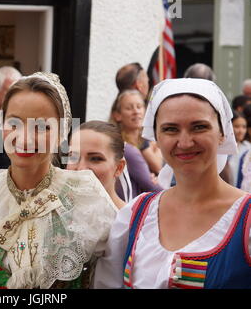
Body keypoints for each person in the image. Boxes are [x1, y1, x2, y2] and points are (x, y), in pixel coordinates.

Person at [0, 72, 118, 289]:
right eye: (14, 123)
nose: (24, 138)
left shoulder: (86, 198)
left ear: (62, 132)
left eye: (42, 127)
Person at [93, 78, 250, 289]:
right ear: (156, 135)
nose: (184, 142)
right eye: (170, 129)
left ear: (222, 133)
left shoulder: (246, 220)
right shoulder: (135, 215)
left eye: (199, 127)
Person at [66, 121, 127, 209]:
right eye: (73, 157)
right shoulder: (53, 216)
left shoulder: (131, 220)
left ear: (119, 167)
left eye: (95, 159)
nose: (81, 168)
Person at [110, 89, 163, 176]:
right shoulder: (119, 144)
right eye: (129, 108)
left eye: (139, 107)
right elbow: (157, 167)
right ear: (117, 115)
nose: (136, 112)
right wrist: (157, 145)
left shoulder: (146, 138)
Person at [228, 111, 251, 187]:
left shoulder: (248, 148)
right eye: (237, 126)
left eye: (244, 127)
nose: (241, 131)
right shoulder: (222, 149)